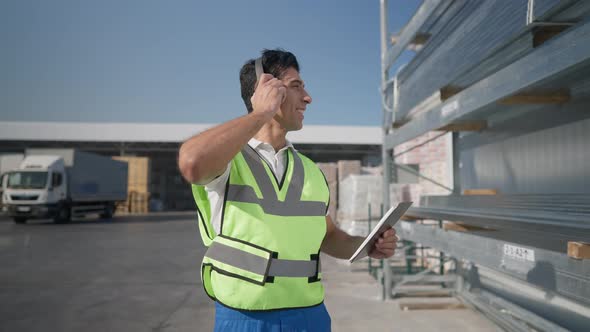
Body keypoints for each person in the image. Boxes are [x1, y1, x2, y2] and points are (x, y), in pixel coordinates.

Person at [178, 49, 398, 332]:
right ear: (266, 88)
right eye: (296, 86)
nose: (308, 98)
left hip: (310, 317)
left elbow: (329, 236)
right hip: (245, 320)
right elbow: (192, 163)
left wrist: (368, 245)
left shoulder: (310, 172)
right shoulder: (229, 161)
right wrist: (261, 113)